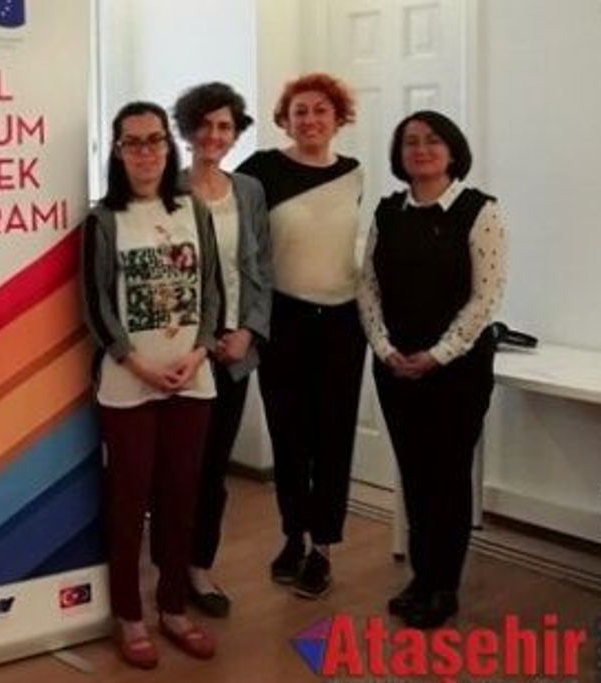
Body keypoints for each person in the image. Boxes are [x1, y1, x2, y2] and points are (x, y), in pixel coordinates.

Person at [81, 101, 220, 669]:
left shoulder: (193, 209)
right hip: (128, 384)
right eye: (132, 142)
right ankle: (129, 614)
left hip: (192, 378)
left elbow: (213, 290)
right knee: (128, 499)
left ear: (169, 146)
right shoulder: (103, 220)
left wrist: (199, 351)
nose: (145, 152)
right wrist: (138, 365)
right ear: (117, 152)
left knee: (180, 499)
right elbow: (95, 305)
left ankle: (173, 608)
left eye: (154, 140)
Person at [358, 110, 506, 629]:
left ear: (452, 149)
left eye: (432, 140)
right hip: (395, 367)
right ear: (399, 154)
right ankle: (420, 578)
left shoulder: (479, 211)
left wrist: (437, 354)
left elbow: (485, 298)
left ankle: (444, 586)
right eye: (410, 142)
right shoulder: (388, 212)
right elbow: (367, 286)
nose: (421, 150)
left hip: (456, 371)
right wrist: (383, 347)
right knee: (415, 475)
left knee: (448, 476)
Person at [236, 73, 365, 600]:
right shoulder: (261, 170)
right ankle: (293, 536)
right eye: (300, 111)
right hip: (283, 318)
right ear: (285, 120)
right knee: (289, 436)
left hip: (342, 323)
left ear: (338, 118)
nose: (311, 120)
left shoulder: (354, 173)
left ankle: (323, 548)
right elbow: (232, 234)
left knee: (333, 438)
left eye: (320, 110)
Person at [170, 82, 272, 618]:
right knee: (174, 468)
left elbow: (261, 270)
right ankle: (166, 568)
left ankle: (198, 568)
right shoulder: (164, 188)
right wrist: (202, 340)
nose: (215, 135)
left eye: (225, 126)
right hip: (180, 349)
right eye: (205, 125)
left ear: (236, 133)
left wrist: (249, 332)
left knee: (213, 470)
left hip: (235, 351)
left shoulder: (249, 191)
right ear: (188, 130)